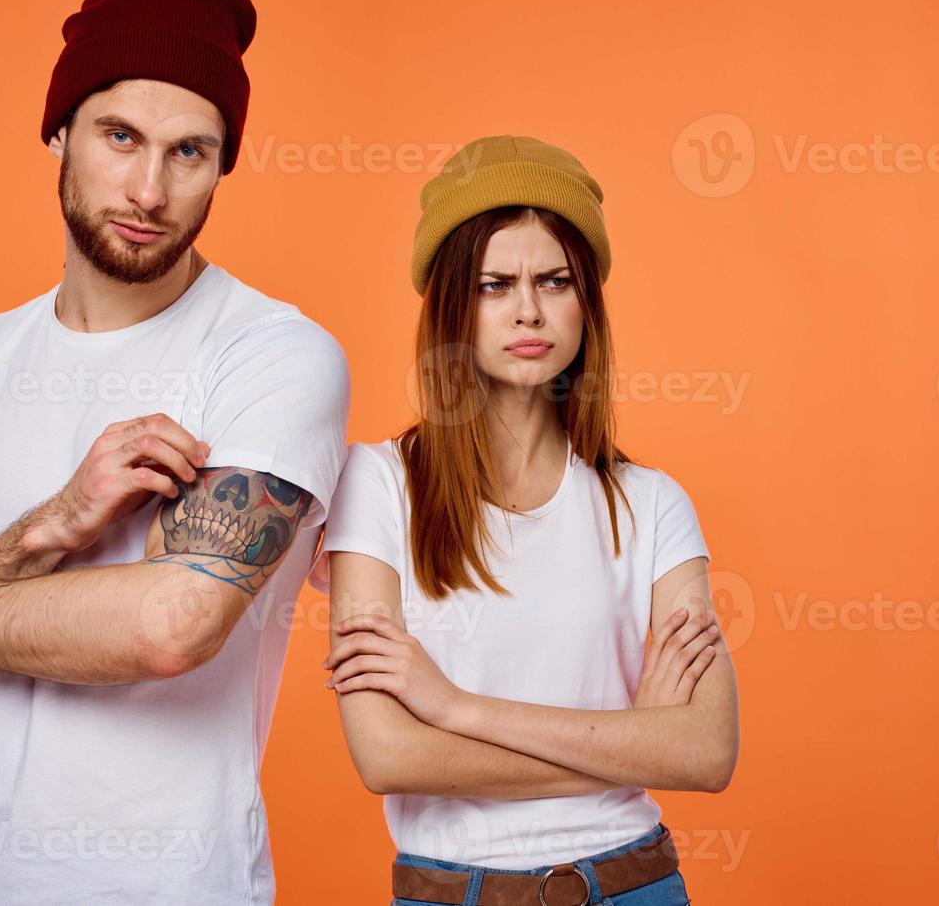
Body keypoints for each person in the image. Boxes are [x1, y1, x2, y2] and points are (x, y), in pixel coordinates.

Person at [0, 0, 350, 905]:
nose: (148, 189)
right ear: (60, 130)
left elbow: (169, 626)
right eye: (120, 137)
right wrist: (50, 526)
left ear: (222, 162)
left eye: (190, 152)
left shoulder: (275, 355)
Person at [311, 136, 740, 906]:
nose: (529, 310)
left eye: (555, 280)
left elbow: (707, 753)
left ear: (587, 303)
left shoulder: (651, 502)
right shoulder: (376, 487)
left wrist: (455, 708)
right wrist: (635, 742)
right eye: (495, 284)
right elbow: (387, 756)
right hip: (452, 892)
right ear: (452, 301)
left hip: (634, 884)